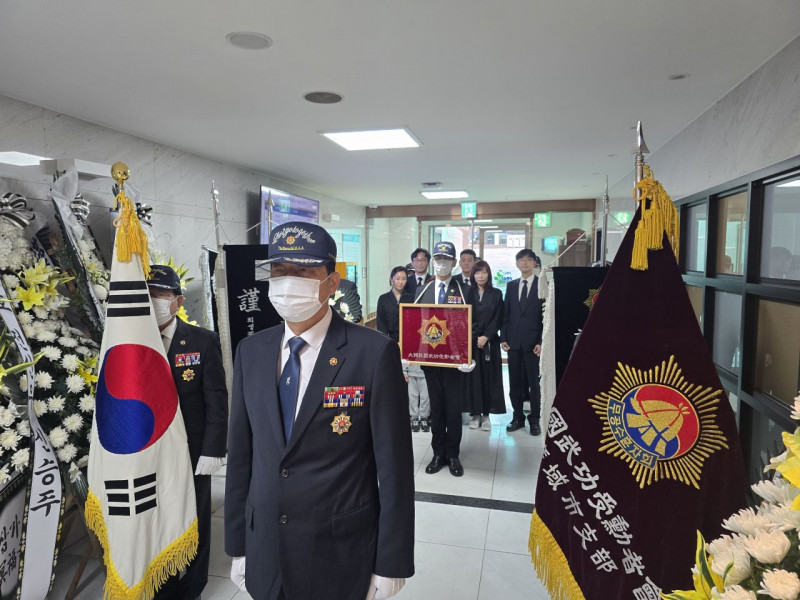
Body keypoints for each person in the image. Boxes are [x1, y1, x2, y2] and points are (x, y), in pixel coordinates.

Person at [225, 222, 415, 600]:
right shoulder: (251, 351)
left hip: (337, 549)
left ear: (332, 283)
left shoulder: (373, 353)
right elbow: (242, 456)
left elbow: (394, 467)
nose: (288, 282)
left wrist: (391, 561)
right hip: (265, 545)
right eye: (280, 271)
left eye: (303, 271)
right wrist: (237, 543)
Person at [147, 264, 228, 600]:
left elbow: (216, 401)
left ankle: (192, 586)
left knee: (194, 518)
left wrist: (213, 449)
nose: (153, 300)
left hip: (192, 449)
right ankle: (161, 582)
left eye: (160, 294)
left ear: (178, 301)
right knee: (157, 518)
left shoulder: (202, 341)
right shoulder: (131, 343)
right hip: (149, 449)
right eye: (147, 294)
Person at [414, 241, 476, 477]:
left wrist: (469, 356)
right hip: (431, 360)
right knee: (437, 409)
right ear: (433, 261)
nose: (442, 263)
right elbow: (413, 322)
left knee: (453, 409)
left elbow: (472, 325)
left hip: (455, 362)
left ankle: (452, 455)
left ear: (454, 262)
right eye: (438, 259)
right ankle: (437, 452)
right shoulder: (423, 290)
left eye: (446, 259)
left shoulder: (464, 290)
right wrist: (409, 353)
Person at [376, 267, 430, 433]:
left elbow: (416, 321)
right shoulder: (383, 299)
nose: (400, 282)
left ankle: (414, 414)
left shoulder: (411, 298)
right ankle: (394, 413)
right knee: (393, 378)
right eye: (397, 278)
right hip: (390, 342)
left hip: (409, 343)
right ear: (391, 279)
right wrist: (388, 342)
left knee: (409, 381)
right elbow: (380, 323)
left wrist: (408, 341)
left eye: (404, 279)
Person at [501, 248, 544, 436]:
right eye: (521, 260)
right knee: (515, 383)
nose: (524, 263)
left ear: (535, 263)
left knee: (535, 384)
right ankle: (517, 417)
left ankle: (535, 419)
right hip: (513, 343)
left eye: (528, 260)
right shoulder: (511, 286)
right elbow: (506, 314)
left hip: (534, 344)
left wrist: (542, 342)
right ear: (517, 264)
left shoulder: (543, 285)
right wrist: (503, 337)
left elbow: (546, 317)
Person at [466, 260, 506, 430]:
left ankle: (487, 415)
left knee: (489, 378)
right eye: (477, 272)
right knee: (473, 379)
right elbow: (463, 316)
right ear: (473, 275)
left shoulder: (496, 293)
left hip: (490, 342)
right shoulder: (467, 292)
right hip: (471, 342)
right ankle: (475, 414)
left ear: (488, 274)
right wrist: (475, 337)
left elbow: (499, 317)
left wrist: (486, 336)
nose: (480, 276)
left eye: (484, 272)